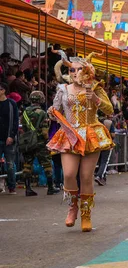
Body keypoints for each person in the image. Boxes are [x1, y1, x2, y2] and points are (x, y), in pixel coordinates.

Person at [47, 53, 114, 232]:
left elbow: (109, 109)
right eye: (72, 70)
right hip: (69, 134)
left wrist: (95, 99)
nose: (75, 73)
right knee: (68, 174)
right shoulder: (63, 89)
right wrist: (51, 112)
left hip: (91, 133)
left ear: (87, 70)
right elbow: (56, 109)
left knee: (86, 176)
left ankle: (86, 214)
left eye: (79, 69)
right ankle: (72, 207)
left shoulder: (95, 87)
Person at [20, 91, 61, 196]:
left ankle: (28, 189)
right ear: (41, 99)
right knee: (47, 164)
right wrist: (47, 140)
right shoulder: (42, 113)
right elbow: (44, 131)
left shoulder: (25, 112)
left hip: (27, 142)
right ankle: (51, 188)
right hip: (40, 142)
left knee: (27, 164)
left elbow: (23, 127)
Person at [0, 82, 19, 194]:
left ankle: (12, 187)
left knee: (10, 164)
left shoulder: (11, 104)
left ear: (3, 91)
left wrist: (11, 136)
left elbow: (15, 121)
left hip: (8, 138)